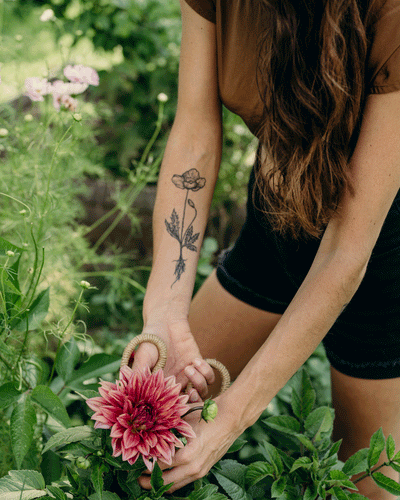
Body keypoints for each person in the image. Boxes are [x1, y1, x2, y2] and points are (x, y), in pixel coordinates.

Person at [133, 0, 400, 498]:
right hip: (276, 217)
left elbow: (347, 250)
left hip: (384, 246)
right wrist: (164, 311)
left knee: (365, 485)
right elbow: (194, 134)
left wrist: (230, 421)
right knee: (152, 426)